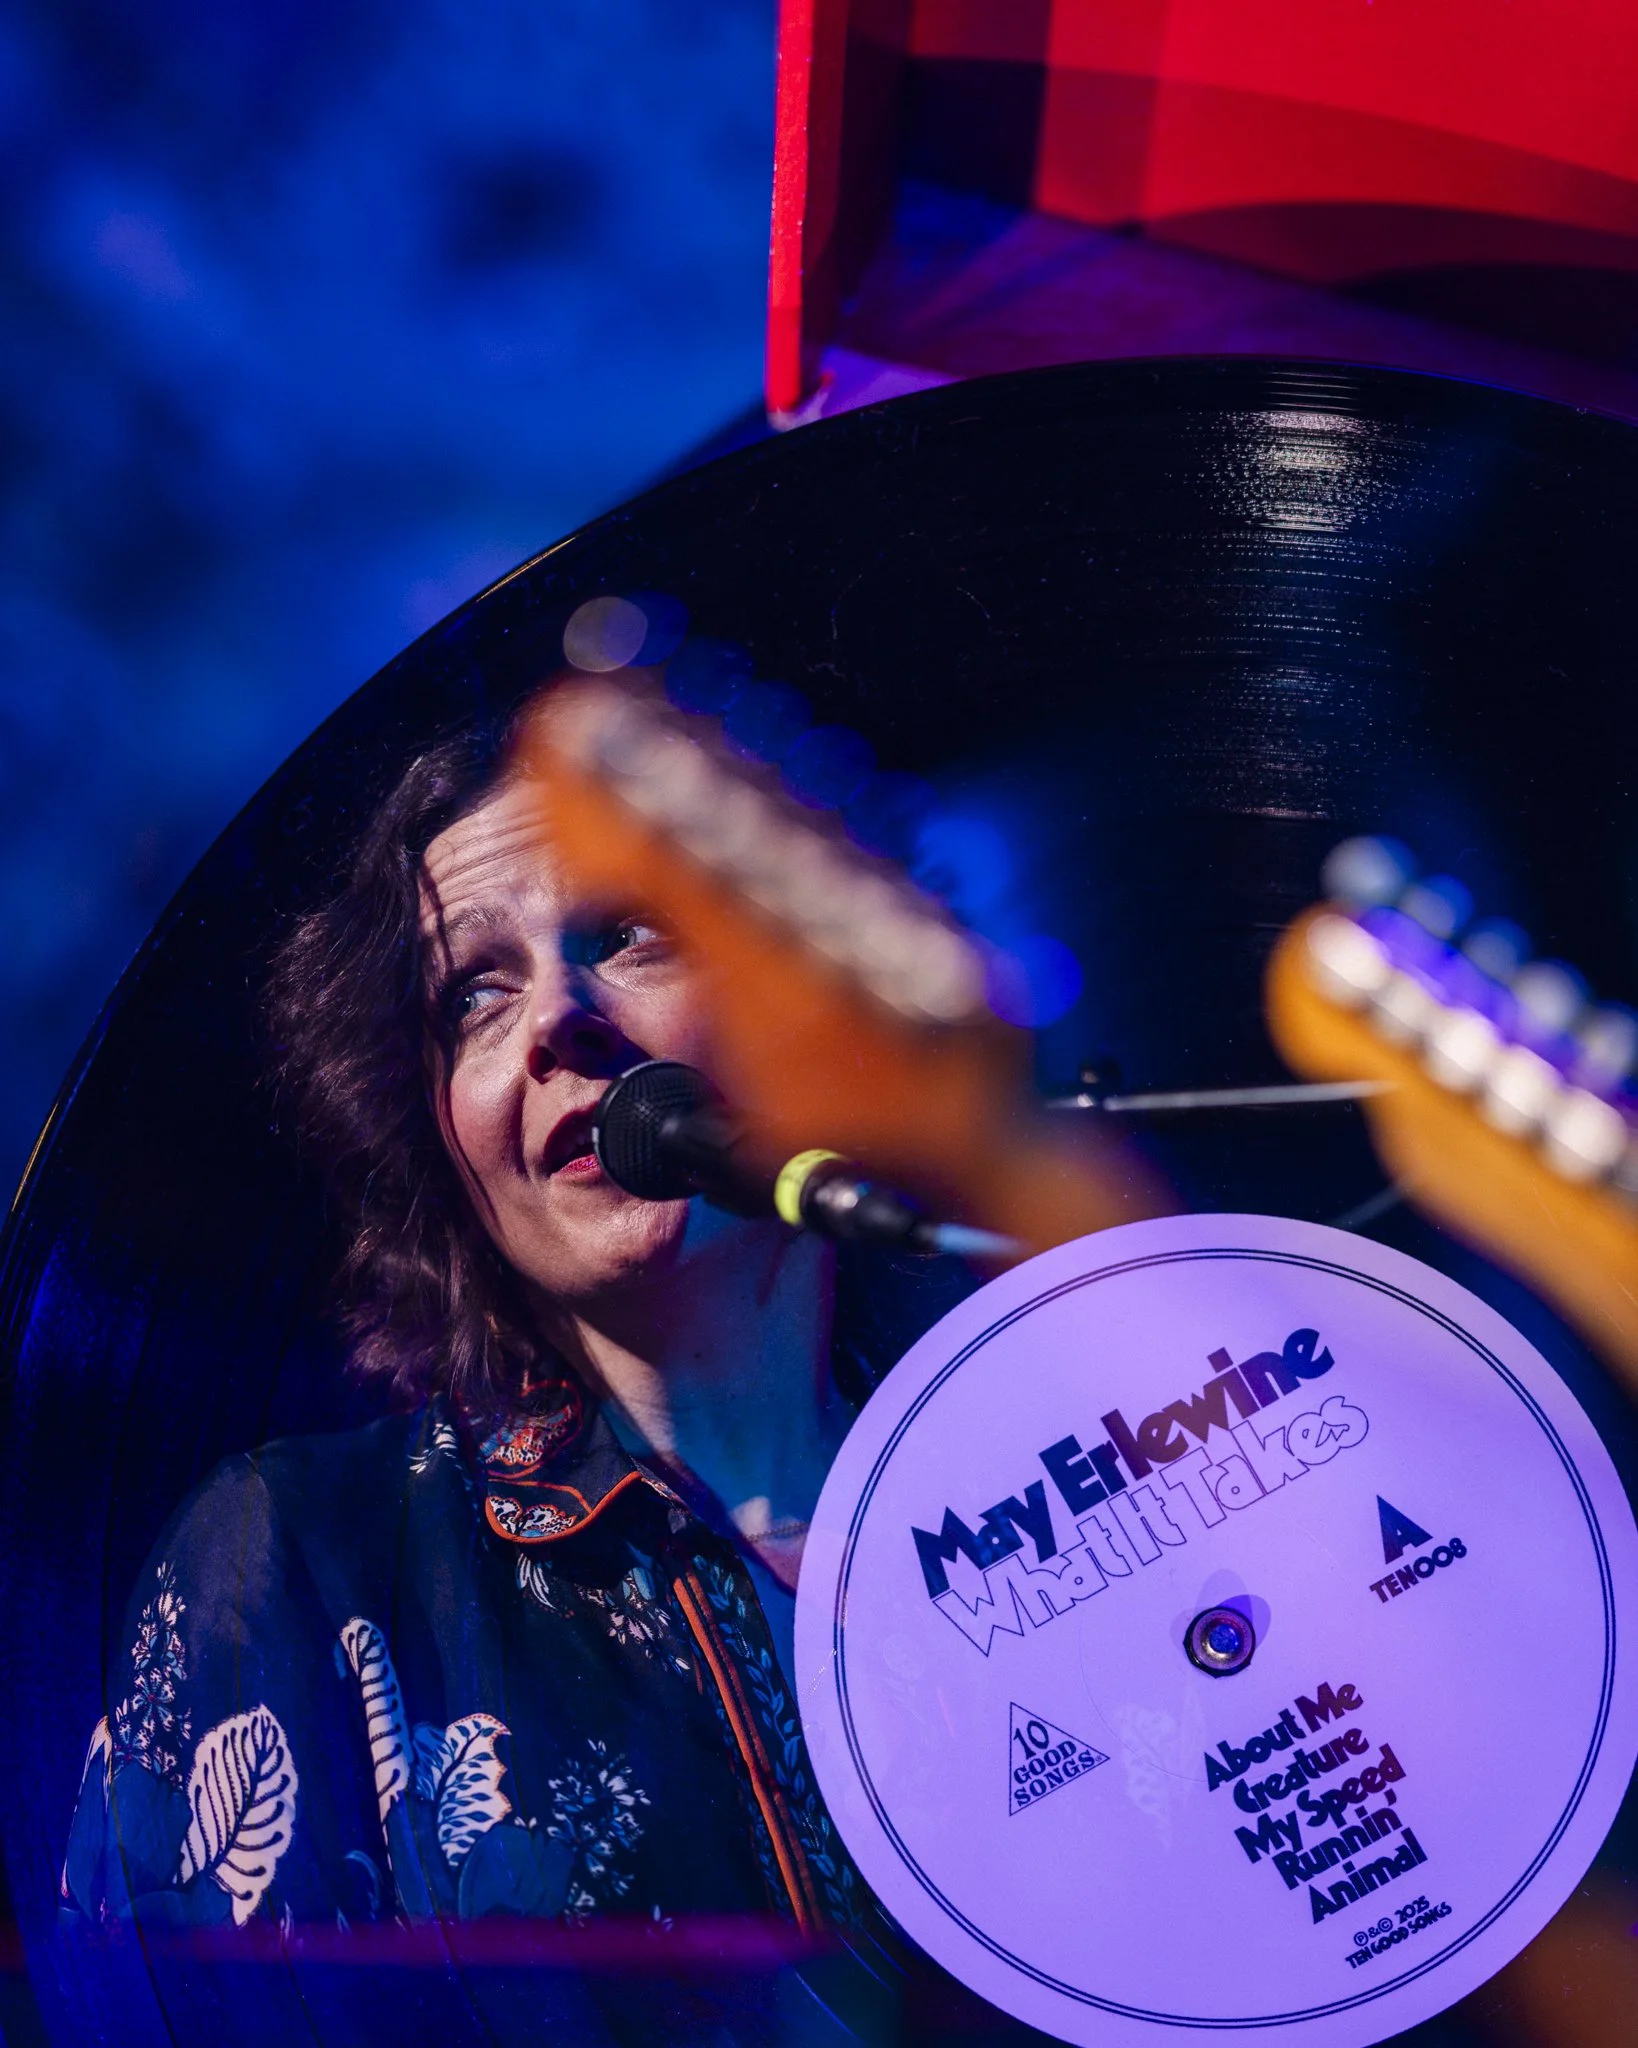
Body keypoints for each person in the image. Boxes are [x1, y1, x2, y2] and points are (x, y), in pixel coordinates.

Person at [59, 691, 978, 2041]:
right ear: (436, 1135)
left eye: (630, 932)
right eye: (474, 996)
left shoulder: (1046, 1430)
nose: (559, 1015)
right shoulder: (310, 1559)